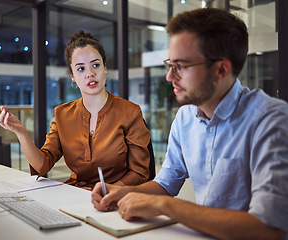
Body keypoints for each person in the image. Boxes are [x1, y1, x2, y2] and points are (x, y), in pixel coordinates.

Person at [92, 8, 288, 239]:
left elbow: (269, 229)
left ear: (220, 70)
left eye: (181, 66)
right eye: (170, 64)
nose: (169, 76)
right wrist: (124, 192)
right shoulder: (185, 119)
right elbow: (166, 184)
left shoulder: (270, 120)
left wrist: (164, 206)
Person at [0, 30, 151, 191]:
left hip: (116, 196)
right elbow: (43, 165)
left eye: (96, 65)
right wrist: (21, 133)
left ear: (105, 68)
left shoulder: (130, 112)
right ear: (72, 75)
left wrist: (108, 191)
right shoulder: (62, 114)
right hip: (75, 193)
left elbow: (139, 172)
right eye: (81, 69)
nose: (90, 73)